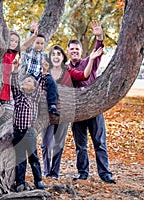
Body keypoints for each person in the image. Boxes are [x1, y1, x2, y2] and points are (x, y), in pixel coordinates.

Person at [41, 45, 103, 179]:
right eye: (53, 54)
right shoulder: (45, 71)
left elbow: (84, 76)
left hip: (64, 113)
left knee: (58, 143)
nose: (56, 56)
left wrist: (91, 59)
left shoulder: (68, 71)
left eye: (59, 54)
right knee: (45, 144)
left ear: (63, 57)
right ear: (50, 58)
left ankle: (54, 173)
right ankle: (46, 171)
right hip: (47, 113)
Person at [67, 20, 116, 184]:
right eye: (72, 49)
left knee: (100, 143)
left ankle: (105, 174)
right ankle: (82, 173)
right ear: (68, 51)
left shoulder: (90, 60)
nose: (74, 51)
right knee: (81, 146)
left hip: (94, 110)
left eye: (77, 49)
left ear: (81, 51)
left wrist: (99, 36)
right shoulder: (65, 68)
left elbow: (98, 50)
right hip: (77, 113)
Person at [11, 53, 48, 192]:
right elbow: (14, 84)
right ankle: (20, 182)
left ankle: (38, 180)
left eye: (29, 82)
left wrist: (44, 71)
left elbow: (42, 85)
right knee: (20, 159)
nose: (25, 83)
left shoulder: (35, 97)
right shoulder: (19, 96)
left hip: (29, 132)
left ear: (33, 87)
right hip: (18, 132)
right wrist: (15, 69)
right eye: (24, 81)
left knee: (34, 158)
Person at [20, 23, 59, 115]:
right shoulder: (29, 51)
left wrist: (46, 69)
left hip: (41, 74)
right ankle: (28, 107)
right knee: (31, 86)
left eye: (42, 44)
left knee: (52, 82)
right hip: (32, 75)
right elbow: (26, 44)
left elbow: (46, 66)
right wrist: (32, 32)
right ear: (33, 43)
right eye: (37, 43)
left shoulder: (44, 54)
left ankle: (52, 104)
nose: (39, 45)